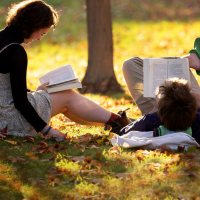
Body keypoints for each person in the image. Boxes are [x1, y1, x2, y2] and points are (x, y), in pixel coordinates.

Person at [0, 0, 129, 141]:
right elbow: (20, 102)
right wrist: (47, 130)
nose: (38, 39)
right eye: (41, 34)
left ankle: (116, 122)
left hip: (3, 114)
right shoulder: (15, 51)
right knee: (67, 96)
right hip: (10, 120)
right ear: (33, 26)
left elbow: (9, 89)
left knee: (61, 96)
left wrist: (35, 92)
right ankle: (119, 122)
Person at [122, 38, 200, 115]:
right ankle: (159, 115)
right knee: (130, 65)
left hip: (192, 106)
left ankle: (158, 118)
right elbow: (194, 59)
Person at [119, 78, 200, 144]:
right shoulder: (197, 119)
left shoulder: (151, 120)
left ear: (159, 108)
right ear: (193, 105)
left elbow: (124, 132)